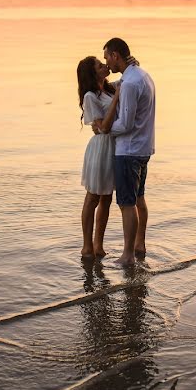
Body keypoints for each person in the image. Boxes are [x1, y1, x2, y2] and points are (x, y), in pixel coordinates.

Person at [98, 38, 156, 266]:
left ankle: (128, 255)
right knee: (139, 198)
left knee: (127, 203)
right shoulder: (141, 75)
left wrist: (105, 129)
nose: (106, 63)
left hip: (129, 150)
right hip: (143, 147)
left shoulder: (130, 83)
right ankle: (139, 245)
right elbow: (117, 84)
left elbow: (126, 124)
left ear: (115, 55)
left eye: (107, 58)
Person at [77, 56, 116, 259]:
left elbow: (126, 82)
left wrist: (129, 63)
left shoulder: (107, 89)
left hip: (113, 147)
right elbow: (100, 127)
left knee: (107, 197)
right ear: (93, 73)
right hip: (101, 148)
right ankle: (86, 246)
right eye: (100, 66)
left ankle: (98, 245)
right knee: (93, 197)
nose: (104, 66)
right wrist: (117, 97)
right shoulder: (90, 96)